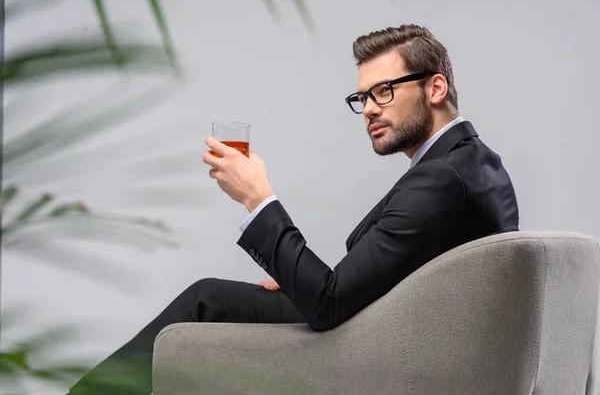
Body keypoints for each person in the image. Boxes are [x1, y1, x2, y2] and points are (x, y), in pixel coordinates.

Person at [68, 23, 519, 394]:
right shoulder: (477, 165)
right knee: (217, 296)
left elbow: (328, 305)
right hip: (399, 335)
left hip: (384, 354)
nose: (368, 110)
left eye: (383, 91)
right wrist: (295, 280)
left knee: (206, 300)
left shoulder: (441, 177)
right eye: (362, 98)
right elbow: (386, 281)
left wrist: (257, 198)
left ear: (435, 87)